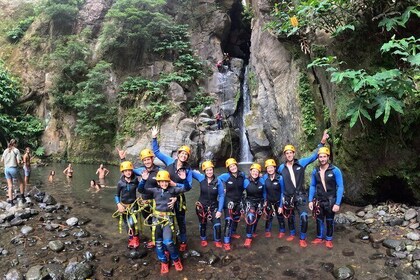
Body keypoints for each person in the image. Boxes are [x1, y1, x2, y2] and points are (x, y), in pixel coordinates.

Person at [277, 130, 329, 248]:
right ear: (285, 155)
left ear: (294, 154)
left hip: (300, 196)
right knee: (290, 217)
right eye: (287, 153)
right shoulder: (281, 168)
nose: (289, 155)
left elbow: (313, 157)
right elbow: (271, 175)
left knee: (304, 217)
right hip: (288, 197)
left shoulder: (301, 163)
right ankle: (292, 233)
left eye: (291, 153)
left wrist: (322, 142)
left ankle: (302, 238)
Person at [138, 170, 191, 274]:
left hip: (167, 219)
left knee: (169, 242)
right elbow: (141, 190)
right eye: (161, 182)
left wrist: (184, 179)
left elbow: (187, 188)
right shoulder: (155, 191)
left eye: (166, 181)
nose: (164, 183)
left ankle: (176, 259)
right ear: (158, 182)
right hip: (156, 219)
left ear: (169, 181)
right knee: (158, 243)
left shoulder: (173, 190)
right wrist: (143, 180)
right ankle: (164, 262)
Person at [151, 126, 193, 252]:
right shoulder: (169, 161)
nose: (184, 156)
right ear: (178, 154)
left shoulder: (188, 170)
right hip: (165, 196)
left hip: (179, 198)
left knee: (180, 220)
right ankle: (167, 242)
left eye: (186, 155)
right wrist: (154, 137)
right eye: (182, 153)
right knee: (166, 220)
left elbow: (188, 186)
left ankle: (183, 241)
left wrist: (175, 185)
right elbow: (157, 152)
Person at [117, 147, 163, 249]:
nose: (147, 161)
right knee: (149, 221)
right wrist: (123, 159)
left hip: (156, 201)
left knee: (157, 222)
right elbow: (128, 170)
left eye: (148, 159)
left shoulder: (159, 170)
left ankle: (158, 241)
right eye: (145, 160)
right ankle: (153, 239)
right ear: (143, 161)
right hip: (144, 202)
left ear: (152, 159)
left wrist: (173, 197)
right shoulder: (141, 170)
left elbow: (167, 182)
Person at [308, 147, 344, 249]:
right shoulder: (315, 171)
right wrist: (310, 200)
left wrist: (337, 203)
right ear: (318, 158)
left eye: (324, 156)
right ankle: (319, 237)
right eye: (320, 157)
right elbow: (312, 186)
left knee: (329, 220)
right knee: (319, 220)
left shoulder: (335, 170)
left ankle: (328, 239)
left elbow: (340, 187)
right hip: (319, 200)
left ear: (328, 157)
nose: (322, 159)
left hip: (331, 200)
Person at [192, 160, 224, 248]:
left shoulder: (218, 182)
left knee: (217, 225)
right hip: (202, 206)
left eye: (210, 170)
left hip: (214, 207)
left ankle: (217, 240)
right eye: (207, 170)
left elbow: (221, 196)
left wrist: (219, 210)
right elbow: (188, 171)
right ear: (204, 171)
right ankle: (203, 239)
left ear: (213, 170)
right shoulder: (201, 178)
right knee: (202, 224)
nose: (209, 172)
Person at [218, 157, 246, 250]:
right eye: (230, 167)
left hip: (239, 200)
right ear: (228, 168)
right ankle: (226, 242)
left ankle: (233, 233)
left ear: (236, 165)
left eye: (234, 165)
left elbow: (248, 181)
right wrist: (222, 188)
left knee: (236, 218)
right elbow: (216, 180)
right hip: (229, 201)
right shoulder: (225, 176)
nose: (233, 167)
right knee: (228, 221)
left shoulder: (242, 175)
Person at [114, 161, 141, 249]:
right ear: (122, 172)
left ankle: (136, 238)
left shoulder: (135, 180)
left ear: (132, 171)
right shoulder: (120, 183)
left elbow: (141, 189)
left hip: (133, 205)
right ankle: (130, 238)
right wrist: (118, 204)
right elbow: (117, 195)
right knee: (126, 223)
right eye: (125, 171)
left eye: (129, 170)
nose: (128, 172)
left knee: (132, 222)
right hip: (123, 205)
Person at [262, 159, 287, 238]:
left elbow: (283, 192)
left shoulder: (280, 178)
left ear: (275, 168)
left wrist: (281, 206)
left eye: (271, 167)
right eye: (268, 168)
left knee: (280, 217)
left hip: (278, 201)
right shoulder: (265, 178)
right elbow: (264, 191)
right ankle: (267, 230)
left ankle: (282, 230)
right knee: (269, 217)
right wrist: (265, 201)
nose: (270, 169)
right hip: (269, 201)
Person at [242, 163, 266, 248]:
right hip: (250, 202)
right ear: (250, 171)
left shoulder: (262, 180)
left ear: (259, 173)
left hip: (260, 202)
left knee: (256, 219)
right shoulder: (246, 181)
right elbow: (240, 191)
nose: (255, 173)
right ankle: (248, 238)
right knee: (251, 217)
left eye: (257, 171)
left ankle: (253, 232)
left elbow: (264, 192)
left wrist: (265, 201)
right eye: (253, 171)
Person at [1, 139, 25, 204]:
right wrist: (21, 162)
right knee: (21, 182)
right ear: (15, 144)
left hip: (6, 169)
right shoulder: (16, 150)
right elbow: (18, 162)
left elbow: (1, 161)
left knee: (10, 186)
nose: (17, 145)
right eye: (16, 144)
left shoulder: (5, 150)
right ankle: (23, 198)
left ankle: (11, 202)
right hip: (13, 169)